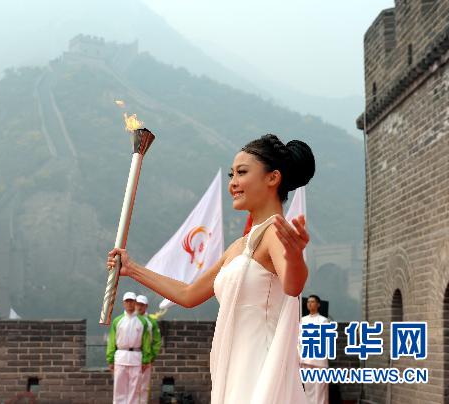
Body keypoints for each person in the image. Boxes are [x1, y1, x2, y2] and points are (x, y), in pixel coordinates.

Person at [107, 134, 315, 403]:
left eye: (242, 172)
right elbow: (189, 294)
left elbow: (293, 285)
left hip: (260, 366)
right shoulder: (239, 246)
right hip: (233, 364)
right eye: (231, 175)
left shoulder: (275, 233)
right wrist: (132, 269)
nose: (233, 183)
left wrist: (296, 257)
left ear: (272, 178)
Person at [106, 291, 152, 404]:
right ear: (123, 303)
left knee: (135, 389)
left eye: (131, 301)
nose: (129, 304)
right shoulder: (117, 321)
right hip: (120, 357)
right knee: (119, 388)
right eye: (127, 301)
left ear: (135, 302)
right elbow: (112, 341)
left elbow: (146, 343)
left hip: (136, 357)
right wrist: (110, 358)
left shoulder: (143, 321)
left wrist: (146, 359)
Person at [300, 295, 330, 404]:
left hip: (319, 360)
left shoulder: (323, 320)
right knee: (308, 388)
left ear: (318, 304)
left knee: (320, 390)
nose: (310, 304)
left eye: (312, 301)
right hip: (306, 359)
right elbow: (299, 339)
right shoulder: (302, 320)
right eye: (308, 302)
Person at [135, 295, 162, 404]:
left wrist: (152, 356)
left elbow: (157, 341)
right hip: (131, 355)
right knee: (131, 385)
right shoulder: (130, 319)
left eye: (142, 305)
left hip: (146, 357)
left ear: (146, 306)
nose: (139, 307)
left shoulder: (151, 322)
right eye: (137, 304)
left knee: (144, 386)